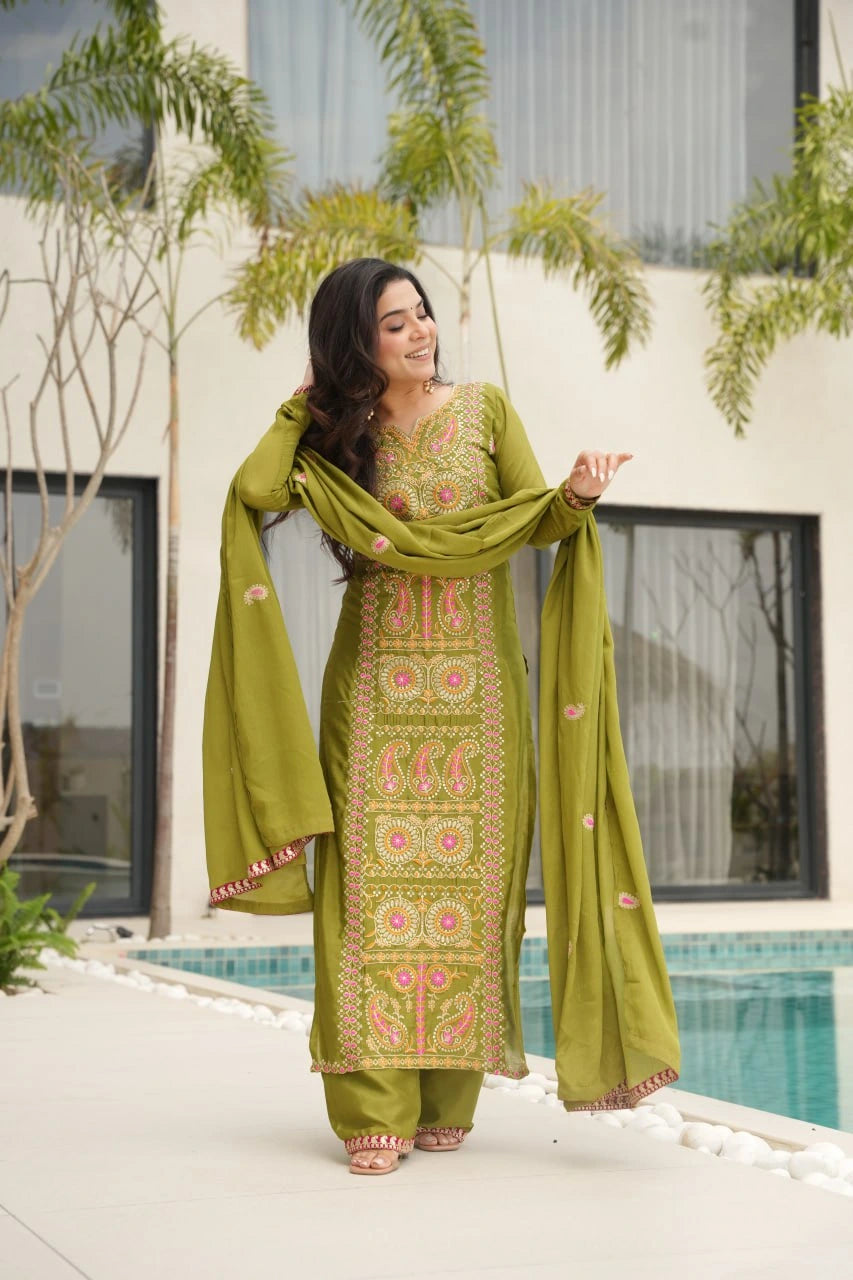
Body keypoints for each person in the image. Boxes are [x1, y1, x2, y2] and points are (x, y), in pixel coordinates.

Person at [203, 257, 679, 1177]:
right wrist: (299, 406)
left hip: (478, 694)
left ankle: (446, 1096)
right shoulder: (340, 438)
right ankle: (370, 1106)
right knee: (370, 903)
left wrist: (576, 493)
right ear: (357, 344)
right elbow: (258, 492)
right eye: (394, 323)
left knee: (467, 896)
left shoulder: (486, 411)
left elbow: (533, 520)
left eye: (421, 314)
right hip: (376, 692)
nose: (420, 331)